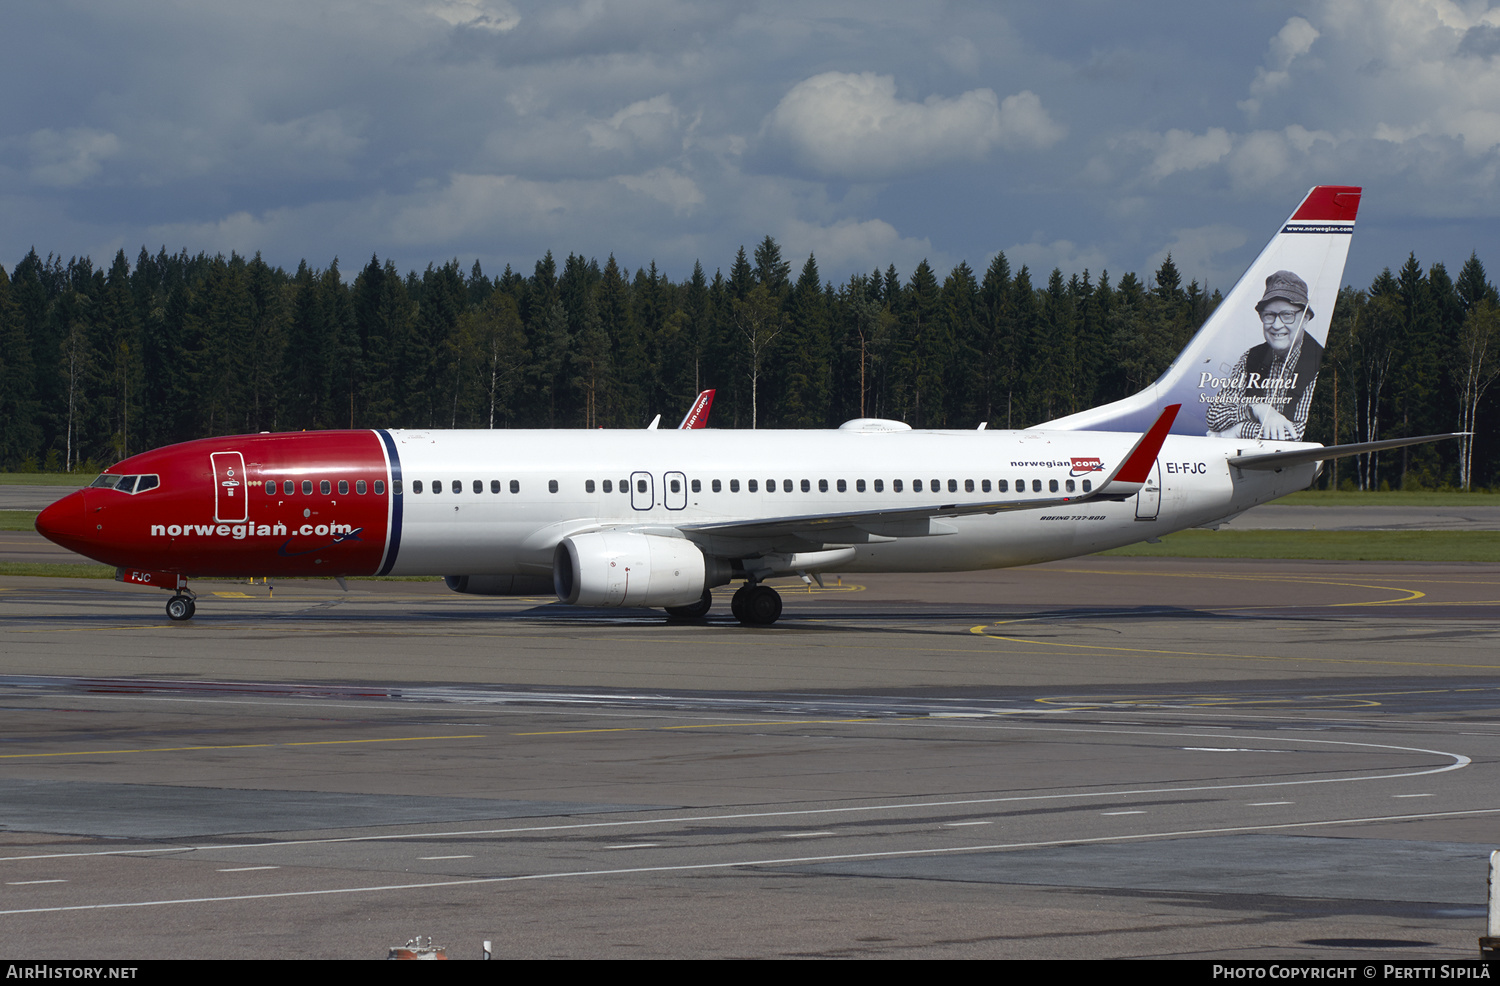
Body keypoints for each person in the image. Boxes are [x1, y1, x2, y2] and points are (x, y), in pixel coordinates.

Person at [1205, 270, 1323, 440]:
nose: (1276, 325)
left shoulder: (1319, 363)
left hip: (1292, 465)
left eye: (1287, 315)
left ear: (1305, 318)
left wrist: (1237, 431)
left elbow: (1299, 434)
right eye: (1269, 315)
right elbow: (1214, 415)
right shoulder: (1250, 358)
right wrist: (1257, 408)